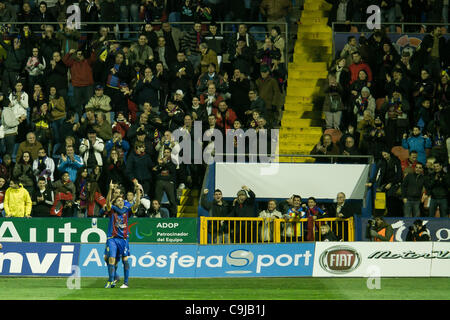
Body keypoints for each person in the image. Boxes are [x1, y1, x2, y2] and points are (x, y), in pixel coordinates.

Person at [104, 179, 141, 289]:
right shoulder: (112, 210)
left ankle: (126, 283)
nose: (120, 201)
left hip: (123, 239)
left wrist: (138, 190)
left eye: (121, 200)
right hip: (112, 238)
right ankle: (112, 281)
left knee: (125, 260)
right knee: (110, 258)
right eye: (118, 200)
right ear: (115, 203)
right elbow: (107, 203)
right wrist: (110, 190)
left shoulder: (127, 210)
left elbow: (137, 203)